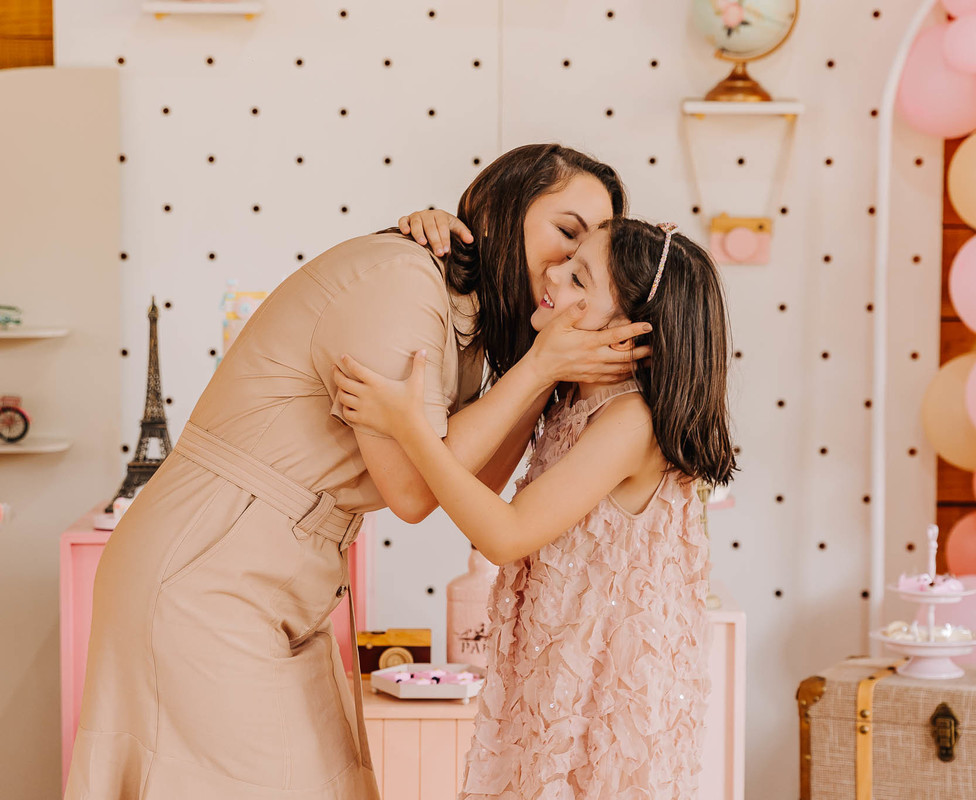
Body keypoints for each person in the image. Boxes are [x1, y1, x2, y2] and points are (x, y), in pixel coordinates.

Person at [64, 144, 651, 800]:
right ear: (495, 209)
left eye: (588, 252)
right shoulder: (405, 280)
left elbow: (470, 487)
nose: (570, 263)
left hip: (284, 577)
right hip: (209, 563)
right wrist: (539, 368)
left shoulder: (474, 322)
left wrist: (541, 368)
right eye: (567, 232)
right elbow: (412, 492)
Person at [333, 218, 737, 798]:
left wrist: (408, 426)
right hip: (554, 683)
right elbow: (479, 490)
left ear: (627, 332)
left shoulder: (629, 422)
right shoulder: (572, 402)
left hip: (602, 705)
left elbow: (504, 534)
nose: (552, 273)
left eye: (578, 278)